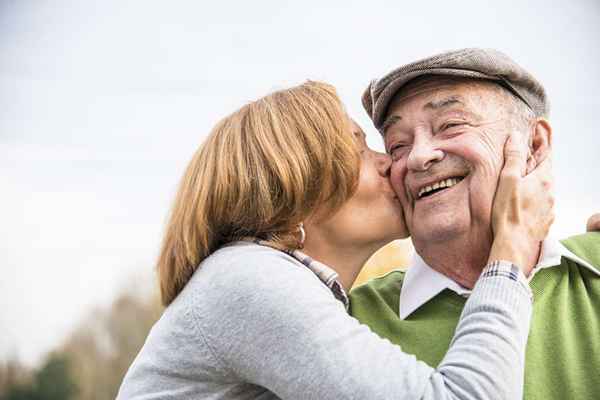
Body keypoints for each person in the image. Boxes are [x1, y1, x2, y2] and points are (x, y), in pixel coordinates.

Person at [117, 81, 553, 399]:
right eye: (361, 151)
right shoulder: (249, 281)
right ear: (295, 186)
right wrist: (510, 250)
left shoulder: (273, 290)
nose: (393, 163)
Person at [351, 48, 600, 400]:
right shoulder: (347, 321)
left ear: (534, 144)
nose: (419, 157)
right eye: (397, 146)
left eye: (451, 125)